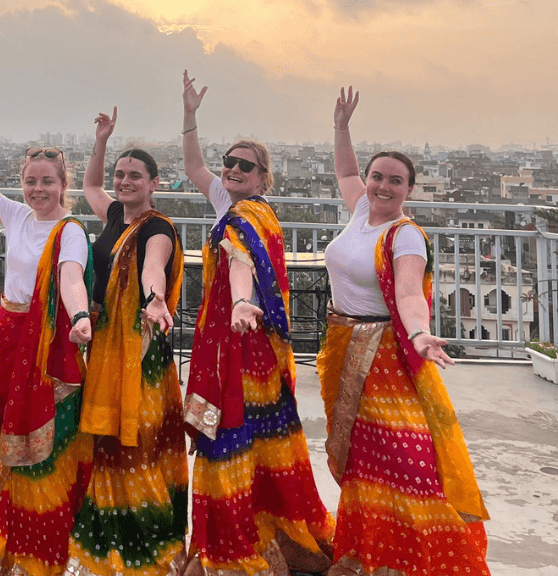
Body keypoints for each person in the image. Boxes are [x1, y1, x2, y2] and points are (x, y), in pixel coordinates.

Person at [320, 86, 490, 576]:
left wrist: (419, 333)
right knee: (364, 461)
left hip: (384, 356)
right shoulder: (359, 211)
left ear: (408, 190)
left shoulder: (406, 234)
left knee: (405, 460)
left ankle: (429, 559)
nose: (382, 186)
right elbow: (346, 172)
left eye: (395, 181)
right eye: (378, 177)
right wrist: (340, 128)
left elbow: (411, 291)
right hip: (344, 346)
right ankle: (367, 554)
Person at [180, 70, 335, 575]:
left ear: (264, 177)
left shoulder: (249, 218)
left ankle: (237, 540)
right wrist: (190, 115)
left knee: (235, 432)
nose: (232, 169)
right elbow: (195, 167)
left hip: (245, 344)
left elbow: (241, 262)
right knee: (249, 435)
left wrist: (242, 303)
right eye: (230, 162)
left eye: (244, 165)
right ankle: (250, 526)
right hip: (234, 339)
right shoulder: (232, 204)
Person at [66, 107, 190, 576]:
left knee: (136, 440)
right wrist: (101, 141)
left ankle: (144, 539)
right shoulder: (116, 213)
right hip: (104, 344)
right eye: (121, 174)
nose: (124, 181)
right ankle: (106, 528)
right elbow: (91, 189)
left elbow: (153, 266)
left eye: (134, 175)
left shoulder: (156, 227)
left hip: (139, 348)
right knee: (108, 440)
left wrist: (156, 298)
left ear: (155, 181)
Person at [0, 106, 95, 576]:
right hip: (9, 330)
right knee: (1, 423)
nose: (38, 190)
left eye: (47, 181)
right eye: (30, 181)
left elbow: (70, 278)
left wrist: (79, 315)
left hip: (45, 343)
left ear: (63, 185)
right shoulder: (18, 216)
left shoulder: (71, 231)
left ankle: (42, 540)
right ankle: (2, 529)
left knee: (42, 438)